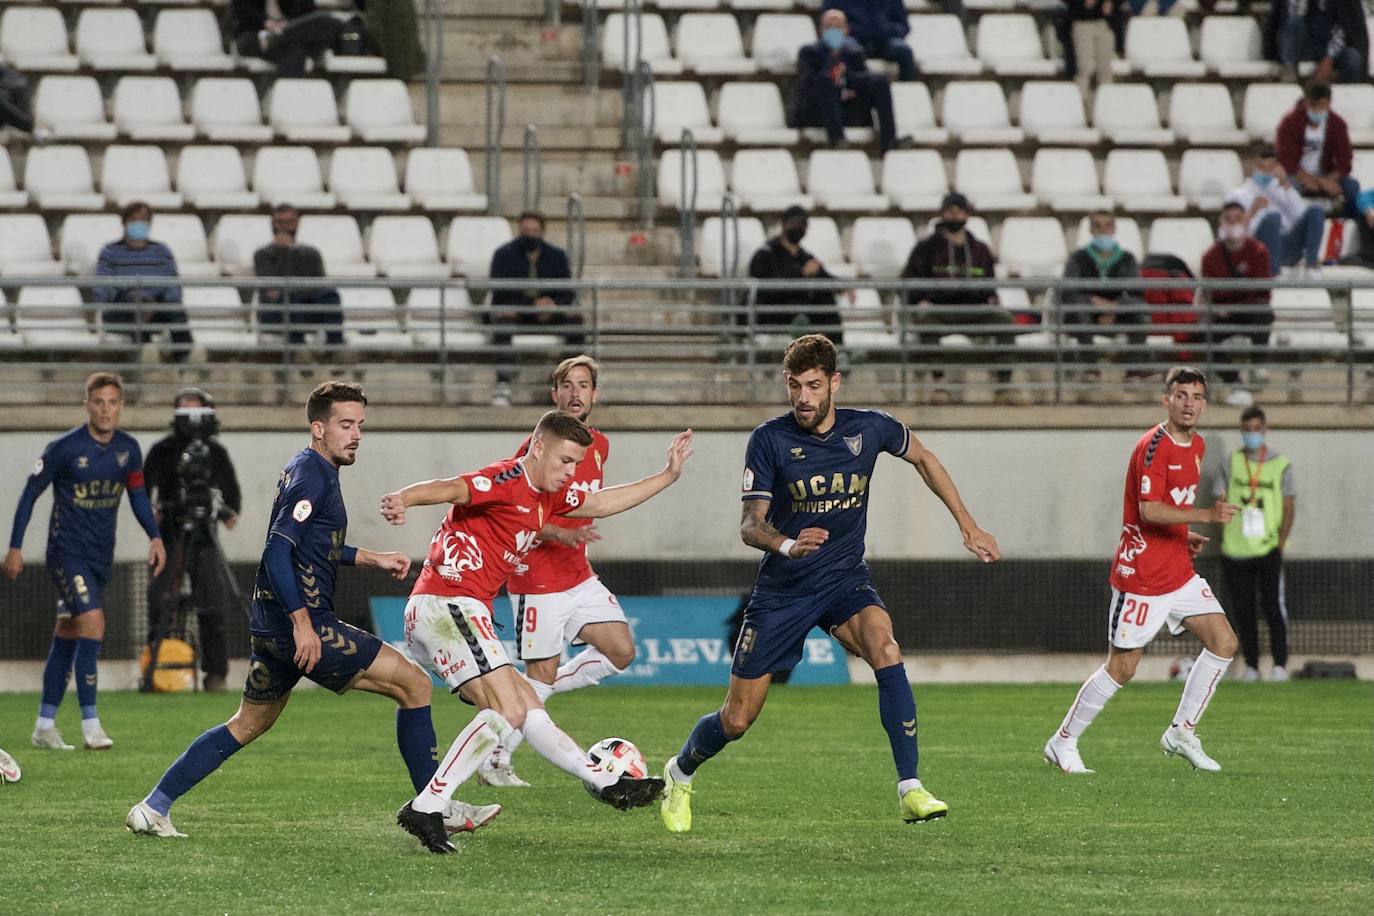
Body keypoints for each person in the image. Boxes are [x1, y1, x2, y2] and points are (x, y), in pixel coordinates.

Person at [659, 333, 1002, 833]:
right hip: (784, 590)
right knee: (736, 720)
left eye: (813, 385)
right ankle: (680, 770)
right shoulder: (770, 439)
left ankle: (910, 788)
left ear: (834, 383)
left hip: (843, 577)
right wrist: (788, 545)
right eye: (794, 385)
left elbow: (924, 457)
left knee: (885, 647)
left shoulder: (871, 428)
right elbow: (750, 526)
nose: (802, 397)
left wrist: (967, 525)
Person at [126, 381, 499, 840]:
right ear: (318, 428)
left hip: (270, 626)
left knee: (246, 723)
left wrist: (371, 557)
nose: (356, 434)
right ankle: (433, 806)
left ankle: (153, 806)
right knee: (415, 684)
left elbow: (313, 545)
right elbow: (278, 551)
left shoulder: (308, 469)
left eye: (360, 424)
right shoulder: (312, 477)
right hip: (301, 625)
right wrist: (303, 623)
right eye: (346, 424)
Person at [380, 411, 693, 853]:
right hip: (449, 603)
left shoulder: (548, 497)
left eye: (576, 464)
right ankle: (429, 805)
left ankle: (605, 783)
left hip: (452, 611)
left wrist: (668, 476)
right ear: (539, 447)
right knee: (508, 709)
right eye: (566, 461)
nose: (572, 472)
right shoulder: (508, 477)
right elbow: (454, 486)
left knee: (526, 706)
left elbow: (602, 502)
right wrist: (404, 498)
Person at [1044, 367, 1242, 776]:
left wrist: (1184, 534)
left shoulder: (1198, 445)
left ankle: (1181, 732)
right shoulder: (1154, 446)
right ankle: (1062, 741)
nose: (1189, 403)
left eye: (1196, 396)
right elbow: (1149, 510)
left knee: (1223, 642)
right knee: (1123, 667)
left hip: (1178, 571)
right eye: (1181, 395)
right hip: (1143, 576)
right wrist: (1205, 515)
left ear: (1205, 403)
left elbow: (1167, 508)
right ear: (1166, 400)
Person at [479, 356, 637, 787]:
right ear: (555, 395)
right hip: (537, 578)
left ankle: (518, 687)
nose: (575, 393)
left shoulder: (598, 446)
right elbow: (514, 509)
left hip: (578, 575)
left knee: (621, 651)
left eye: (583, 385)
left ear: (594, 395)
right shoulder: (537, 447)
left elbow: (591, 503)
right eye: (567, 385)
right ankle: (494, 759)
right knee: (541, 677)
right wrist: (557, 533)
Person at [4, 372, 166, 752]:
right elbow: (29, 496)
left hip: (99, 558)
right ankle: (91, 724)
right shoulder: (63, 448)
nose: (106, 410)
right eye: (99, 402)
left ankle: (44, 725)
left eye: (112, 402)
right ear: (87, 405)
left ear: (120, 406)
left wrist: (154, 535)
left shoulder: (128, 450)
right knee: (94, 622)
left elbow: (138, 498)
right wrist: (14, 547)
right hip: (65, 554)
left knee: (69, 632)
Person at [143, 388, 243, 693]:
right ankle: (156, 669)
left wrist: (225, 510)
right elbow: (142, 492)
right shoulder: (161, 450)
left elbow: (232, 498)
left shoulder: (216, 452)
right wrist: (153, 520)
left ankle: (215, 674)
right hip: (170, 534)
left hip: (204, 536)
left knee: (213, 606)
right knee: (160, 600)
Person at [901, 193, 1020, 405]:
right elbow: (910, 279)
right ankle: (940, 384)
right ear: (943, 214)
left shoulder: (980, 249)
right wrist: (921, 299)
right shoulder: (926, 248)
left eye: (959, 211)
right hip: (939, 309)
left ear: (966, 214)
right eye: (950, 211)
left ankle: (1004, 385)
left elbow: (989, 284)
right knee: (926, 323)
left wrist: (991, 298)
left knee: (1005, 321)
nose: (955, 216)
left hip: (973, 309)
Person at [1214, 406, 1296, 682]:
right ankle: (1250, 665)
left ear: (1265, 430)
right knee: (1243, 610)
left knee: (1273, 607)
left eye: (1256, 430)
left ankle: (1280, 664)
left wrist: (1280, 542)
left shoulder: (1280, 464)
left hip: (1267, 547)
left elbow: (1288, 504)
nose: (1252, 435)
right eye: (1246, 430)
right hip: (1235, 549)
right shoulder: (1231, 462)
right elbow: (1218, 496)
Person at [487, 210, 582, 408]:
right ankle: (503, 383)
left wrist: (551, 305)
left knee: (576, 322)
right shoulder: (503, 255)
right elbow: (500, 293)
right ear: (519, 230)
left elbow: (567, 292)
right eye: (526, 230)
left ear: (542, 232)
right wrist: (530, 306)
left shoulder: (556, 256)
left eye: (535, 230)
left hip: (549, 313)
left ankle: (569, 385)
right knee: (503, 319)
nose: (530, 234)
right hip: (519, 312)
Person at [1200, 200, 1275, 408]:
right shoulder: (1210, 256)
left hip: (1250, 312)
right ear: (1221, 223)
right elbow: (1210, 292)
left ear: (1246, 221)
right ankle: (1236, 384)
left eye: (1238, 218)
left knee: (1264, 314)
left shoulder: (1259, 251)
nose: (1233, 223)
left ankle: (1258, 365)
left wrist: (1231, 297)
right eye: (1228, 219)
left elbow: (1263, 292)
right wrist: (1225, 301)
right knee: (1205, 338)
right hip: (1223, 314)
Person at [95, 201, 192, 362]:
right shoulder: (110, 252)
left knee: (177, 312)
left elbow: (173, 285)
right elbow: (103, 288)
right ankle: (148, 360)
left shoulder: (161, 251)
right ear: (124, 223)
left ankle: (186, 359)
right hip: (121, 310)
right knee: (136, 306)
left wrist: (155, 303)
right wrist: (138, 295)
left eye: (144, 219)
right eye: (135, 219)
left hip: (157, 306)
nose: (140, 224)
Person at [793, 10, 900, 154]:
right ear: (820, 30)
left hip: (847, 106)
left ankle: (889, 141)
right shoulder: (809, 53)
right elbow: (808, 84)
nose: (834, 31)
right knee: (825, 80)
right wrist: (837, 75)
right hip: (819, 112)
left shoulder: (855, 54)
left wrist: (844, 79)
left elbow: (863, 84)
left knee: (879, 82)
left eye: (838, 27)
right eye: (829, 27)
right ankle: (837, 139)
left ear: (846, 30)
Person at [1062, 212, 1147, 381]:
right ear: (1090, 230)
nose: (1103, 230)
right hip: (1087, 314)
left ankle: (1134, 371)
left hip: (1118, 314)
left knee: (1141, 313)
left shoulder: (1127, 259)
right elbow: (1069, 292)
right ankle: (1091, 369)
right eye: (1098, 226)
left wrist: (1115, 308)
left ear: (1114, 229)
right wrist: (1094, 302)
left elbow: (1136, 292)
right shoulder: (1078, 258)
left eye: (1108, 225)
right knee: (1078, 308)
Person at [747, 206, 844, 345]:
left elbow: (825, 277)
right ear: (784, 224)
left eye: (803, 224)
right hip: (774, 315)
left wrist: (844, 287)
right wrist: (801, 273)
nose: (799, 228)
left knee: (825, 298)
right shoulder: (766, 254)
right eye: (795, 223)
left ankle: (838, 350)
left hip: (800, 313)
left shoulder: (804, 256)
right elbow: (769, 287)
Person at [255, 203, 343, 349]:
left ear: (297, 224)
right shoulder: (263, 255)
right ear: (273, 224)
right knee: (290, 295)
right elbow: (271, 292)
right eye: (280, 222)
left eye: (289, 222)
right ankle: (298, 349)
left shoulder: (311, 254)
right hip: (276, 312)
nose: (284, 227)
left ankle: (336, 347)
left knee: (330, 294)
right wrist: (286, 252)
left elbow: (319, 286)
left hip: (306, 308)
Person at [1229, 144, 1325, 278]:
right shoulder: (1238, 194)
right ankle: (1274, 273)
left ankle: (1311, 266)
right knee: (1273, 218)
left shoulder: (1282, 189)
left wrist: (1285, 185)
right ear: (1252, 167)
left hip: (1287, 246)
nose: (1266, 173)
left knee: (1316, 210)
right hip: (1259, 247)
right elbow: (1233, 234)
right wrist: (1252, 212)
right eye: (1262, 168)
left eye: (1270, 168)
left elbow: (1302, 217)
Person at [1276, 81, 1361, 221]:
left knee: (1352, 187)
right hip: (1297, 175)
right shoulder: (1289, 123)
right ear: (1306, 103)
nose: (1318, 110)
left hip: (1326, 174)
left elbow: (1345, 161)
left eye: (1322, 105)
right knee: (1287, 190)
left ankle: (1348, 226)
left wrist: (1326, 180)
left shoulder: (1337, 124)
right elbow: (1287, 161)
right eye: (1313, 105)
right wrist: (1313, 181)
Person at [232, 0, 349, 78]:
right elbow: (243, 12)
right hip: (255, 34)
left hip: (290, 31)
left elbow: (307, 12)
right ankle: (279, 36)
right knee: (297, 49)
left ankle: (280, 35)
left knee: (331, 23)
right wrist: (266, 23)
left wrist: (285, 25)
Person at [1265, 0, 1368, 84]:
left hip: (1333, 49)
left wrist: (1328, 58)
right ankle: (1289, 73)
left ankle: (1348, 96)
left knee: (1353, 58)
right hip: (1303, 47)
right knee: (1294, 22)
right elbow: (1290, 23)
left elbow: (1343, 29)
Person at [820, 0, 917, 81]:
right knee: (852, 50)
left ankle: (907, 93)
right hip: (852, 38)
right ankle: (854, 94)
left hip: (884, 41)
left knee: (904, 50)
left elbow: (903, 25)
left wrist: (888, 30)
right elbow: (829, 25)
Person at [1065, 0, 1120, 101]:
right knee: (1085, 68)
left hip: (1105, 23)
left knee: (1105, 70)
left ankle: (1107, 104)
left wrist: (1112, 2)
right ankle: (1081, 105)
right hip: (1082, 22)